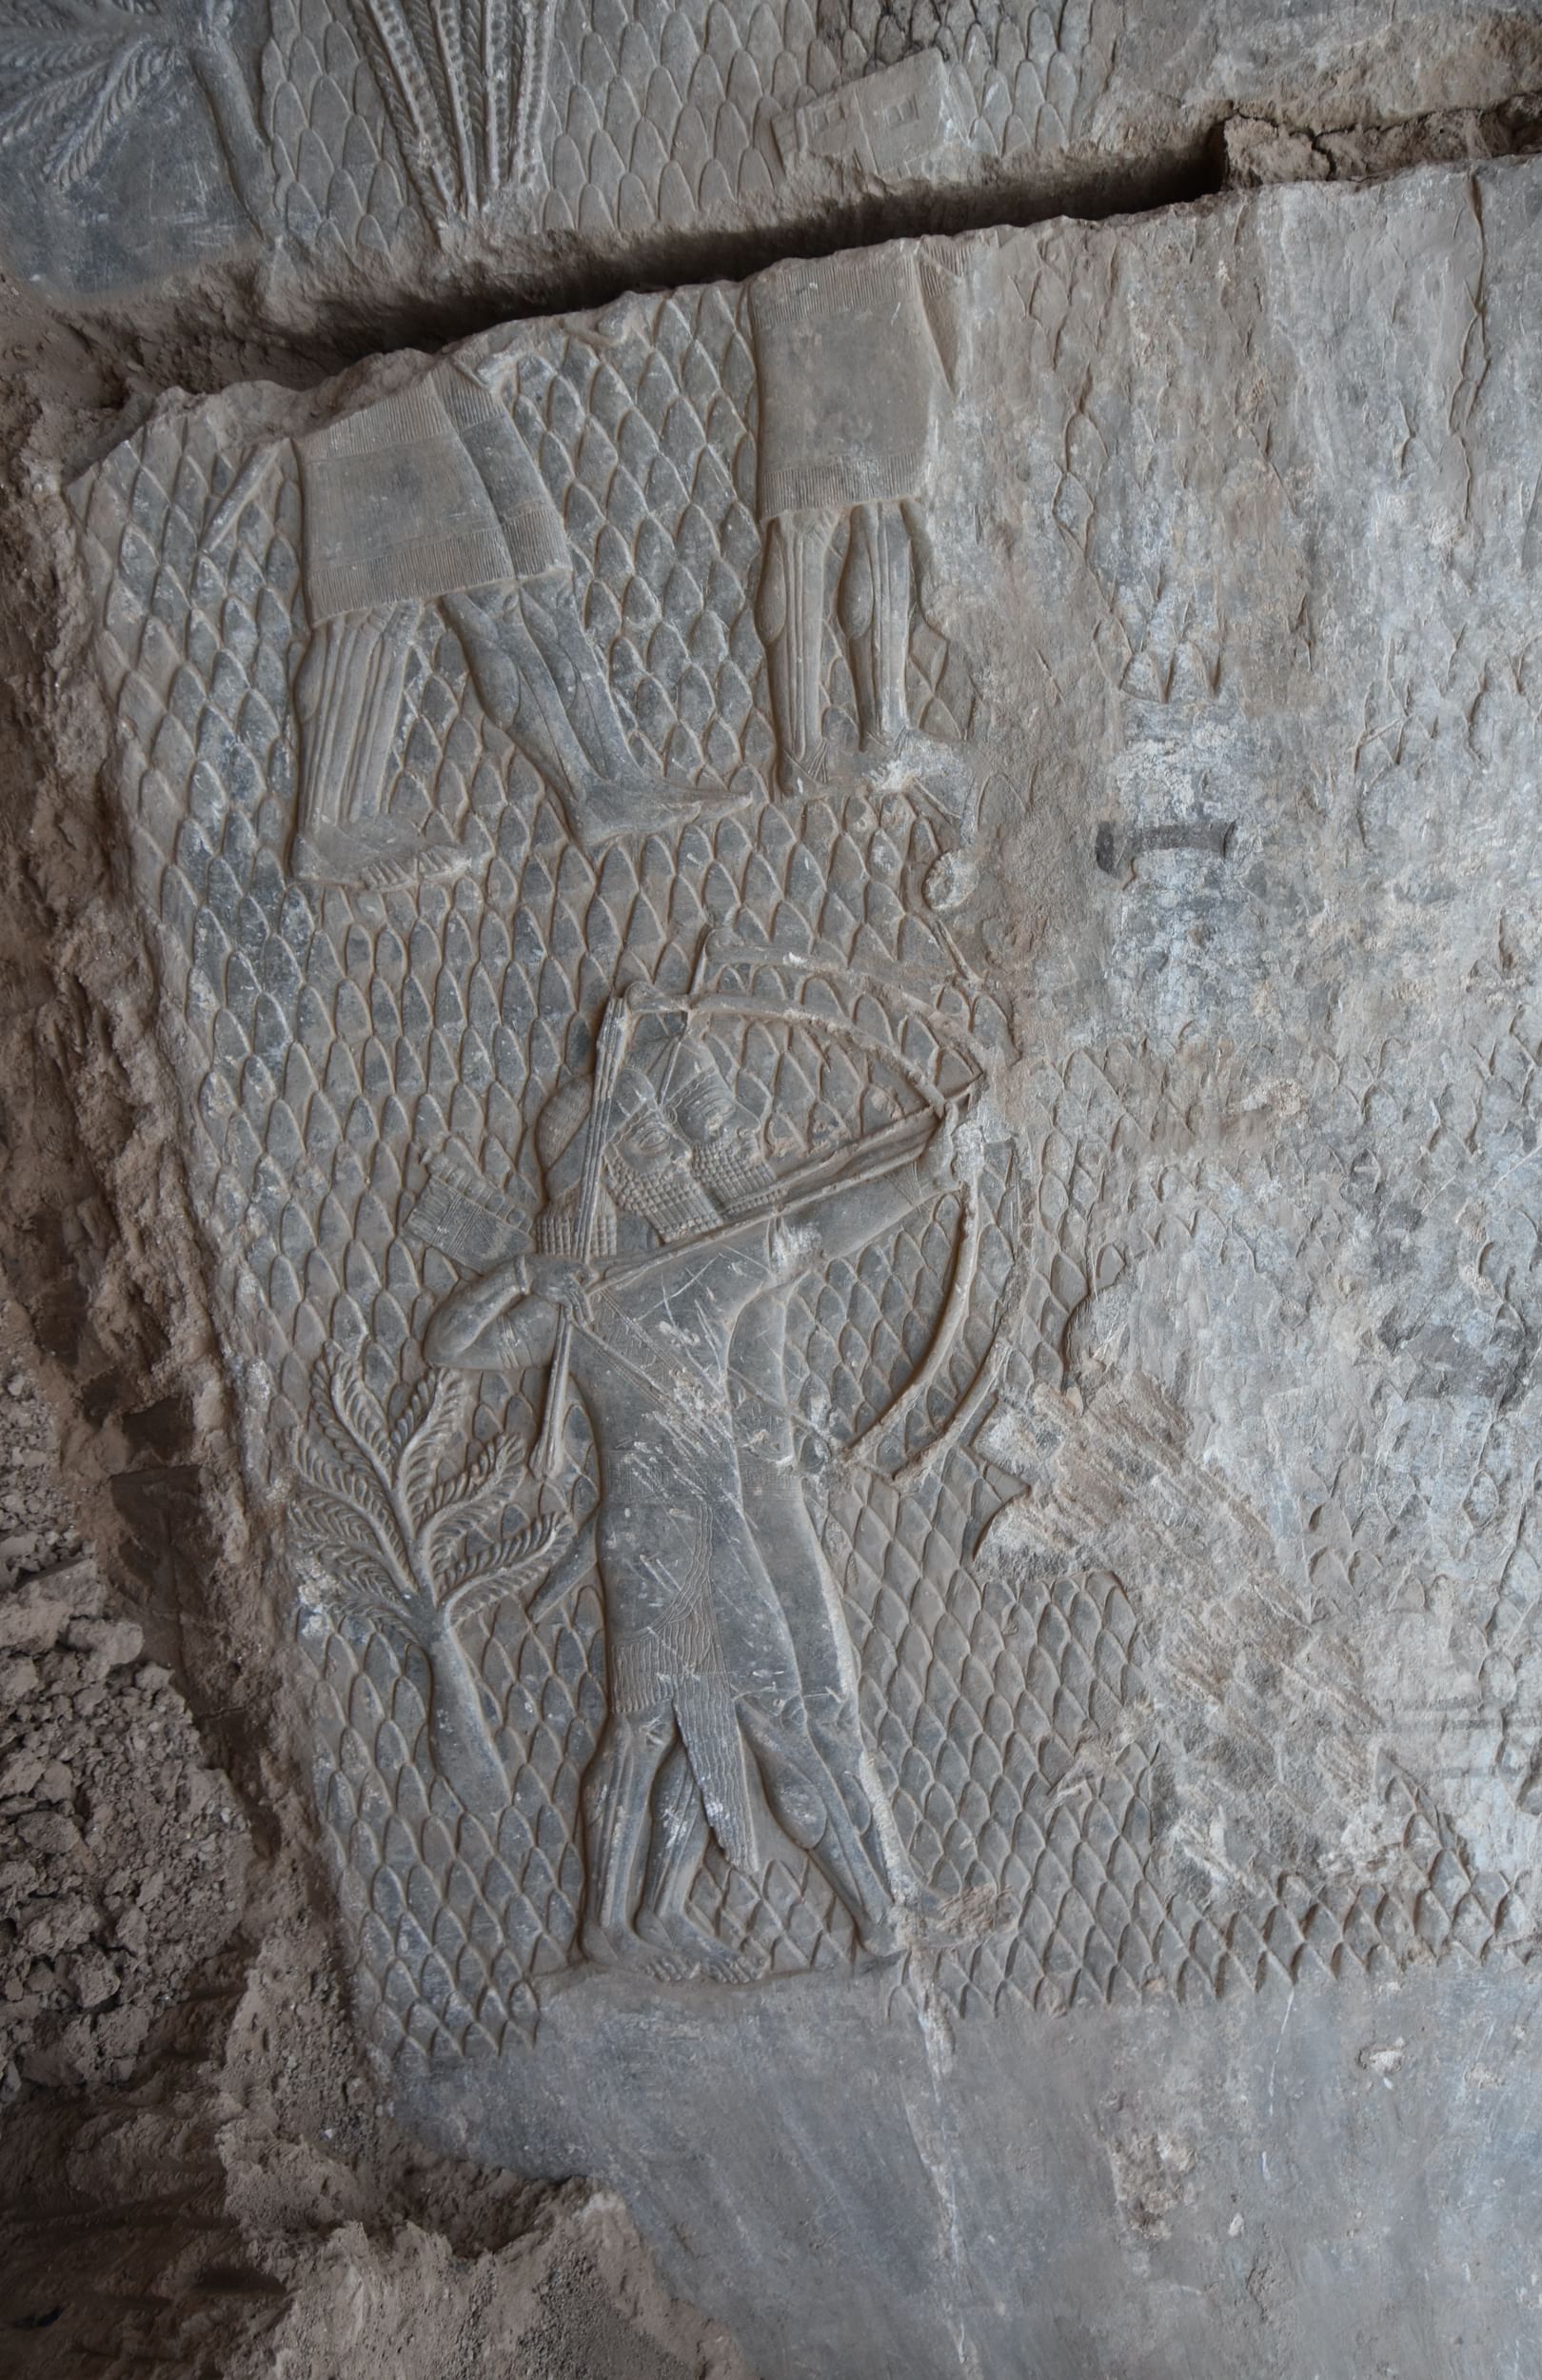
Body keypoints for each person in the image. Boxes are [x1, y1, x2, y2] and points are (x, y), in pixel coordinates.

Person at [424, 1028, 965, 1977]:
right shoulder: (622, 1294)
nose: (674, 1159)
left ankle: (651, 1920)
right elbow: (446, 1346)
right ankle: (856, 1920)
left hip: (680, 1535)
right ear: (618, 1176)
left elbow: (807, 1233)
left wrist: (920, 1177)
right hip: (664, 1543)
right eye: (654, 1148)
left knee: (693, 1729)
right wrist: (520, 1274)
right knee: (703, 1725)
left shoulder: (636, 1290)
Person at [289, 357, 735, 886]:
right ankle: (328, 828)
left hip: (454, 379)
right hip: (391, 403)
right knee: (382, 599)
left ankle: (610, 778)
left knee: (537, 574)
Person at [749, 242, 972, 811]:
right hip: (840, 288)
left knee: (879, 489)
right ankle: (806, 750)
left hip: (869, 283)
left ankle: (883, 727)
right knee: (812, 508)